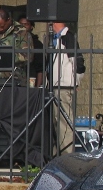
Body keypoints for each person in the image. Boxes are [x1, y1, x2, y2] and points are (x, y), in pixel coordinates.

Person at [47, 21, 85, 152]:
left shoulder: (68, 37)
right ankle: (56, 153)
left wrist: (75, 81)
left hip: (64, 86)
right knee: (55, 122)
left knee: (64, 122)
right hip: (54, 85)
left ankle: (67, 154)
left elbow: (78, 63)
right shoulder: (54, 38)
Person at [0, 9, 33, 80]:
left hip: (14, 78)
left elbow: (28, 55)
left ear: (9, 20)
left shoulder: (22, 32)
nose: (0, 29)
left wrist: (5, 58)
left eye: (2, 26)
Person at [18, 16, 44, 87]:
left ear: (31, 26)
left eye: (26, 24)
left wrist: (37, 88)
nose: (23, 26)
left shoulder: (37, 44)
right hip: (15, 79)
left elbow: (40, 68)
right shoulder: (12, 41)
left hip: (31, 78)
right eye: (20, 24)